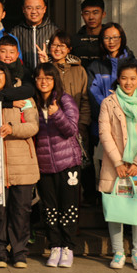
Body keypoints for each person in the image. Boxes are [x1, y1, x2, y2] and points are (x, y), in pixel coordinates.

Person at [0, 57, 39, 269]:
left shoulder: (24, 98)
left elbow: (33, 126)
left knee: (21, 211)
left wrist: (12, 128)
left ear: (7, 75)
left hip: (22, 164)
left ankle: (19, 252)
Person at [98, 61, 137, 271]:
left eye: (133, 78)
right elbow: (105, 133)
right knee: (116, 210)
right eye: (124, 78)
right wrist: (118, 162)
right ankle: (118, 253)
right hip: (115, 166)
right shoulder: (108, 103)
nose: (128, 82)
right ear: (118, 79)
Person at [32, 63, 82, 268]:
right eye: (39, 78)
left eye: (48, 78)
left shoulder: (64, 100)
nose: (43, 82)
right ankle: (55, 246)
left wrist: (57, 113)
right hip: (44, 164)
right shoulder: (33, 103)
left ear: (55, 80)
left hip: (68, 163)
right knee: (50, 208)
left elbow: (71, 130)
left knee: (68, 207)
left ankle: (68, 247)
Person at [43, 30, 92, 202]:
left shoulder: (79, 70)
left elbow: (85, 99)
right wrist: (43, 65)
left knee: (76, 170)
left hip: (75, 128)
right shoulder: (45, 69)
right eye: (54, 45)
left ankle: (77, 206)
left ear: (69, 49)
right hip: (51, 129)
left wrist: (82, 124)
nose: (57, 49)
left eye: (62, 46)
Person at [87, 23, 137, 140]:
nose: (111, 41)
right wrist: (111, 114)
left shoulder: (134, 65)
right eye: (106, 38)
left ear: (122, 38)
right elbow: (93, 96)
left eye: (115, 37)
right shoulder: (95, 67)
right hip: (104, 127)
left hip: (131, 127)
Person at [10, 0, 59, 70]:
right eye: (29, 8)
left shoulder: (54, 31)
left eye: (38, 8)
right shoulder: (15, 31)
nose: (34, 11)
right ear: (23, 9)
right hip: (23, 75)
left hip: (46, 74)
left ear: (44, 9)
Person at [72, 0, 107, 66]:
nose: (91, 17)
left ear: (103, 14)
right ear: (82, 15)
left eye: (95, 13)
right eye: (87, 13)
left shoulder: (110, 39)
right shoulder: (74, 40)